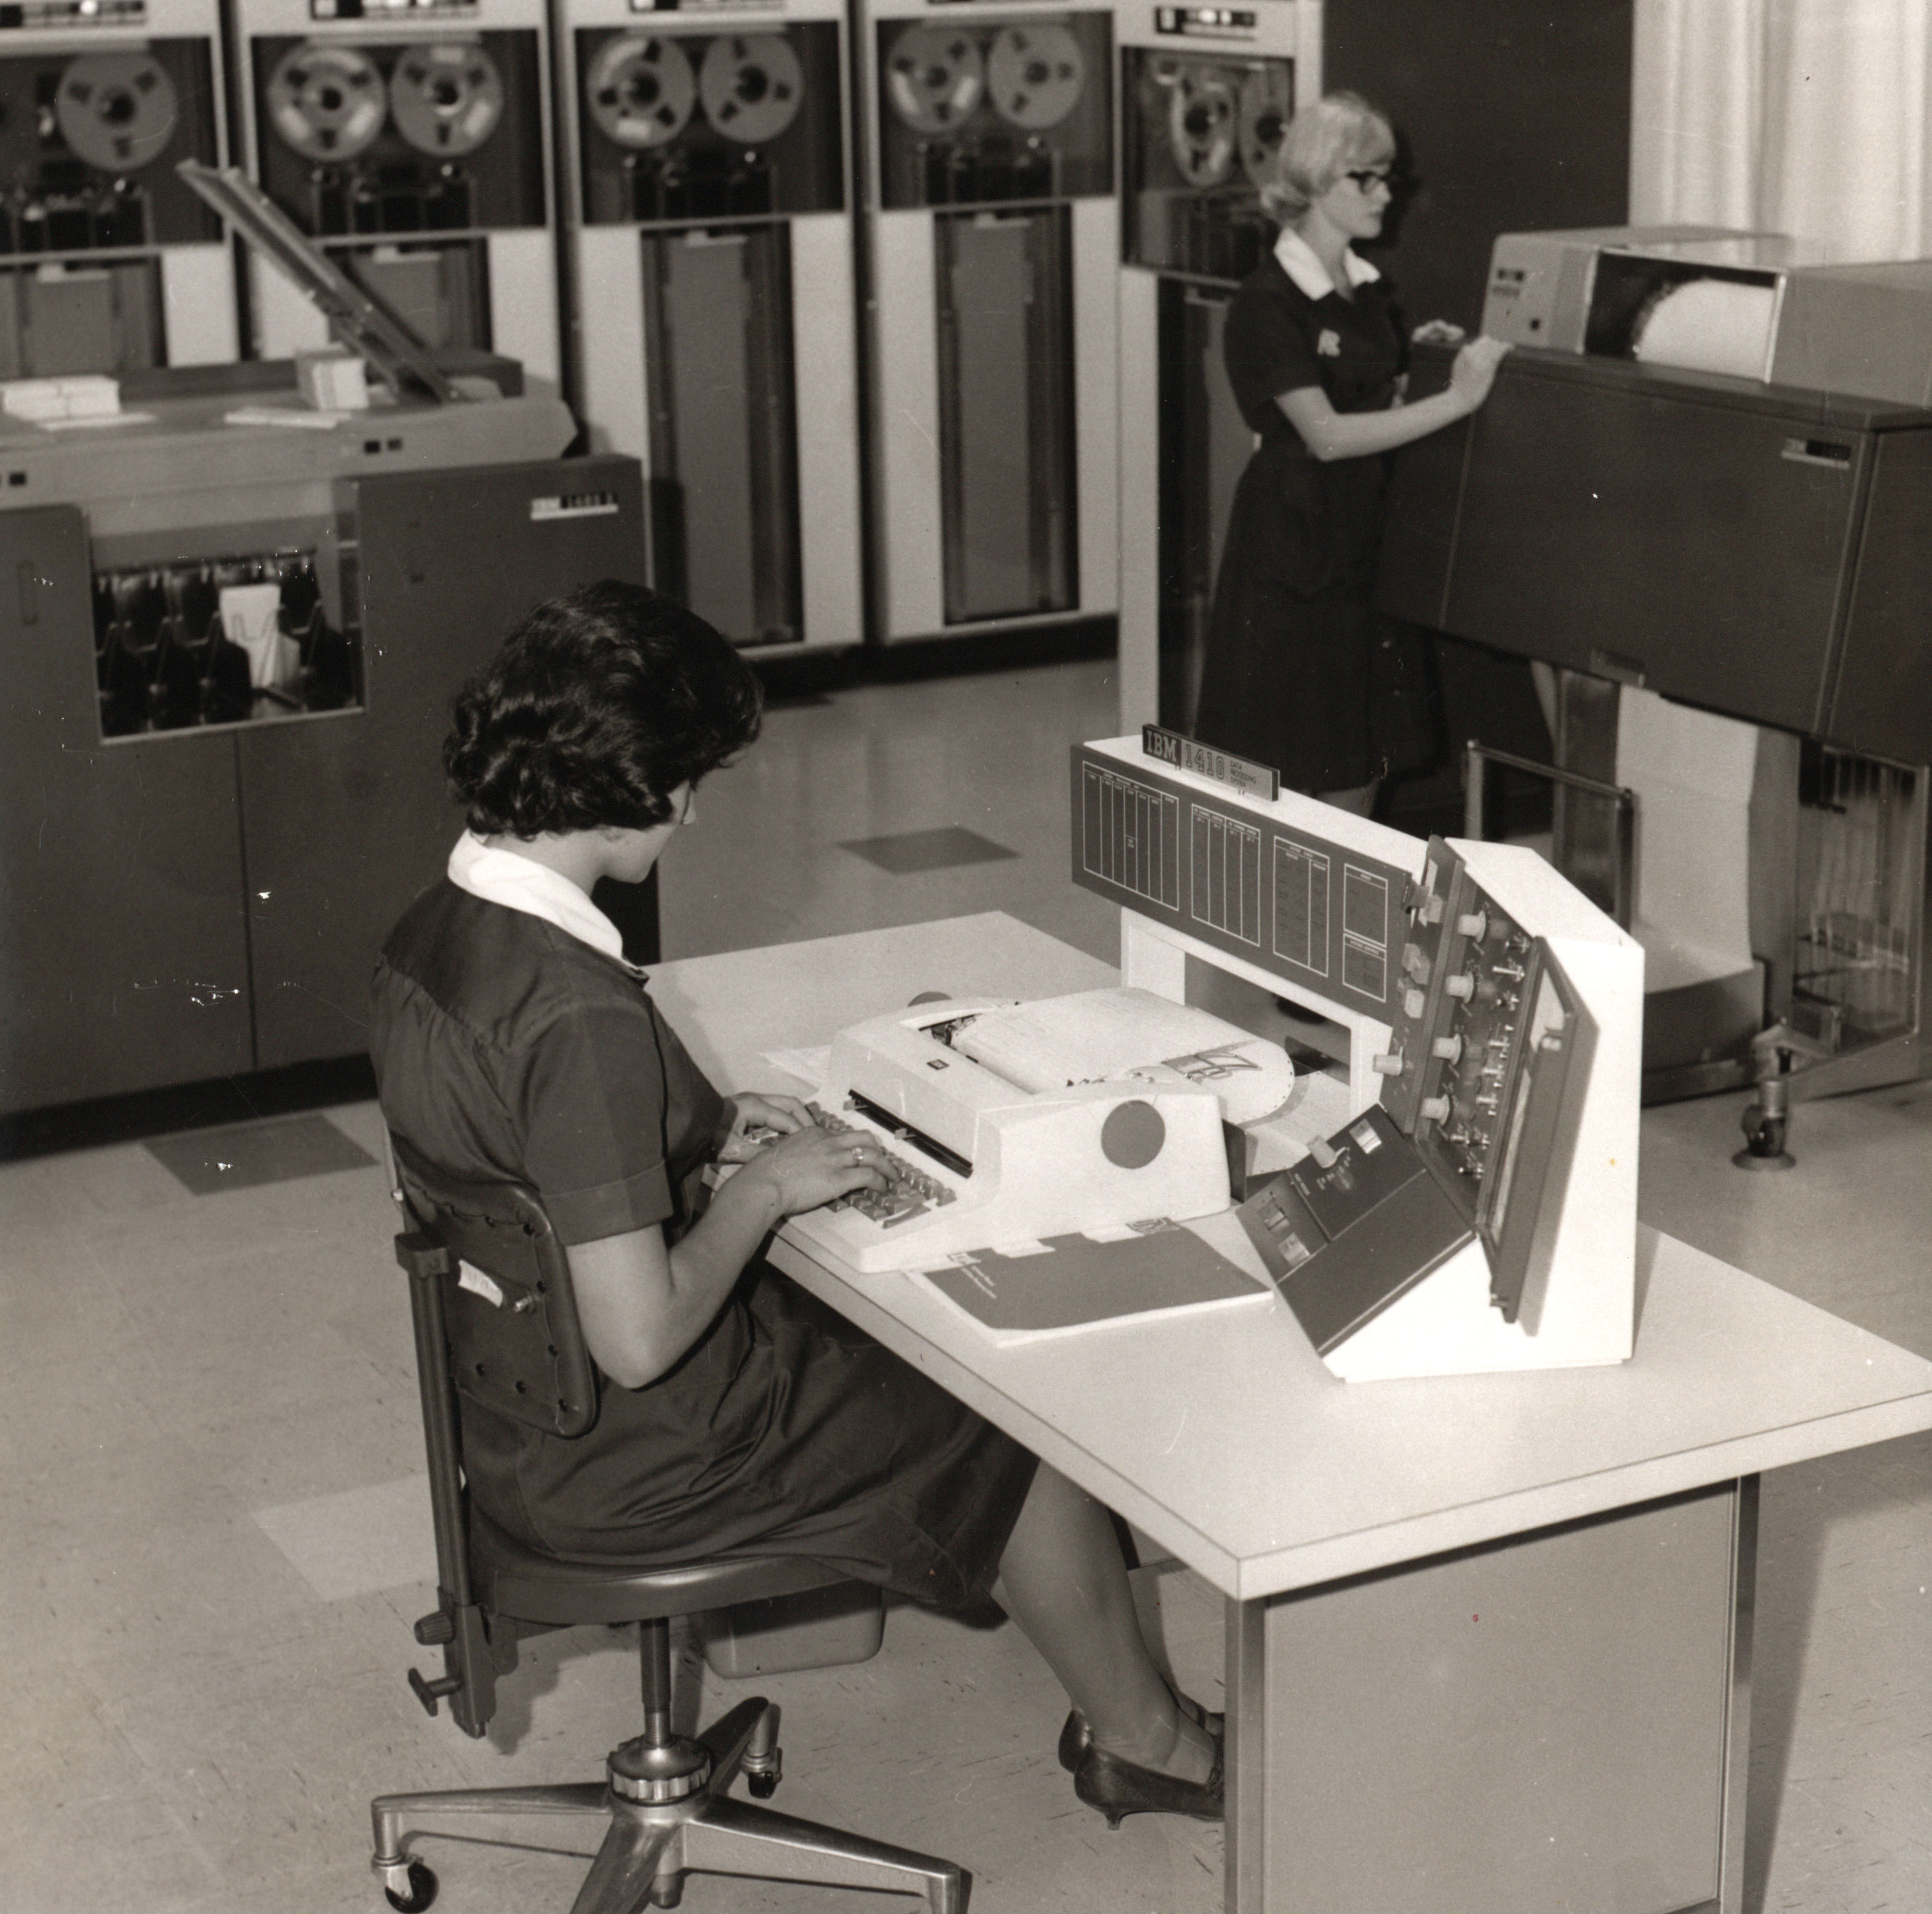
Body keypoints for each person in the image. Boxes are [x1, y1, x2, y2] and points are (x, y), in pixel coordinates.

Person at [369, 581, 1222, 1827]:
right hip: (632, 1451)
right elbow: (642, 1336)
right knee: (997, 1400)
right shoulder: (577, 1012)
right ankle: (1147, 1742)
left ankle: (1111, 1677)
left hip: (521, 1421)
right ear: (623, 781)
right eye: (687, 780)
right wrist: (762, 1188)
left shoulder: (435, 930)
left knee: (881, 1333)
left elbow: (525, 1149)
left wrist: (703, 1141)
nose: (695, 809)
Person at [1192, 91, 1512, 815]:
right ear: (1311, 182)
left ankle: (1338, 921)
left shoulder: (1365, 294)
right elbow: (1326, 435)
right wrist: (1455, 400)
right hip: (1294, 549)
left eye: (1386, 177)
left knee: (1362, 755)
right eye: (1362, 179)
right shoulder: (1266, 301)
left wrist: (1422, 374)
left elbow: (1377, 411)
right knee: (1291, 764)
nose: (1383, 194)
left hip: (1362, 542)